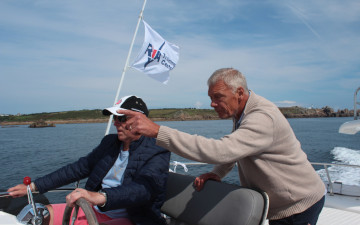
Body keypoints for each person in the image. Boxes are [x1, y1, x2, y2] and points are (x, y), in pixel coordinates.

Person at [118, 68, 326, 225]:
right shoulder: (243, 112)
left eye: (218, 97)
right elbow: (238, 150)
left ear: (239, 93)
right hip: (281, 203)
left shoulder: (262, 117)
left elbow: (221, 150)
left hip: (298, 204)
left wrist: (157, 131)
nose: (212, 104)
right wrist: (218, 172)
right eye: (210, 98)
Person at [8, 95, 171, 225]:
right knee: (40, 215)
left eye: (122, 118)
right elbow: (79, 168)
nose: (116, 123)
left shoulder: (158, 148)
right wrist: (34, 186)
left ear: (140, 120)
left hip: (135, 219)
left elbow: (144, 189)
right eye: (114, 118)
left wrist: (99, 197)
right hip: (94, 210)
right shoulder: (110, 143)